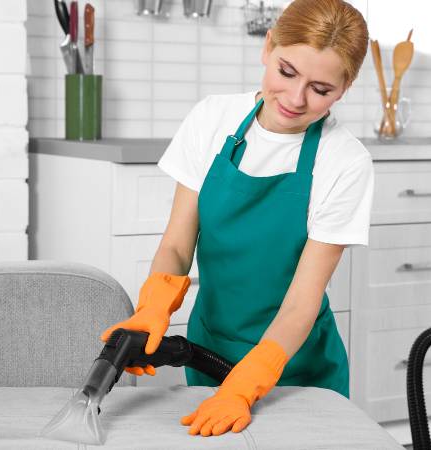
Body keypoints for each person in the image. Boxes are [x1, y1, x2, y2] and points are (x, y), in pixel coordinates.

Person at [100, 0, 373, 437]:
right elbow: (177, 245)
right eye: (287, 72)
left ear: (344, 88)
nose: (296, 98)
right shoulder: (213, 118)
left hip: (294, 365)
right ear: (268, 47)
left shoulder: (344, 161)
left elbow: (302, 302)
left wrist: (248, 382)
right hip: (209, 347)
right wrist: (153, 308)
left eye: (320, 89)